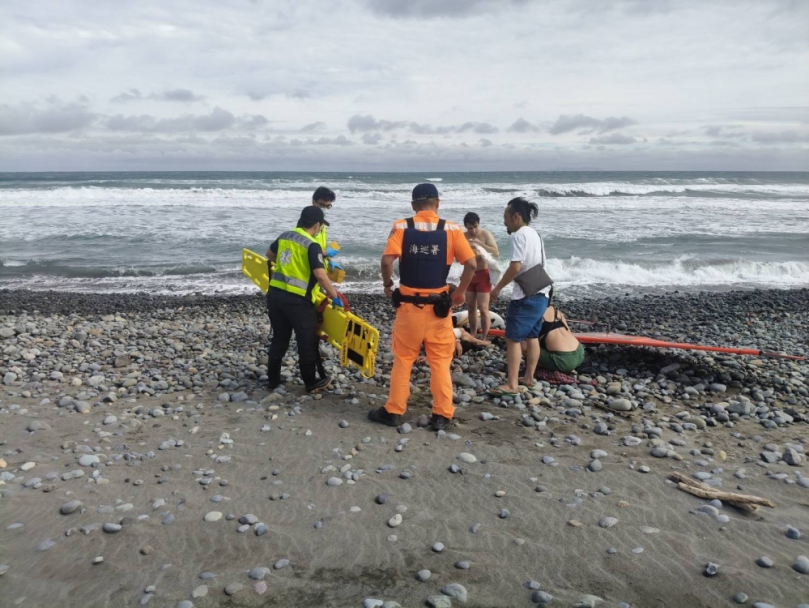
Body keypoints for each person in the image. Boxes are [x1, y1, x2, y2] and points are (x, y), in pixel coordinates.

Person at [369, 183, 477, 431]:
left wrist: (388, 285)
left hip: (408, 309)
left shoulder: (401, 226)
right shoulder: (452, 229)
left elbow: (387, 260)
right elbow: (470, 264)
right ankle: (442, 415)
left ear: (413, 206)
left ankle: (394, 411)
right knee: (440, 361)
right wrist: (460, 292)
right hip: (439, 308)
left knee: (404, 359)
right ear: (437, 203)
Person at [265, 206, 344, 393]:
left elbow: (269, 254)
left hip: (275, 295)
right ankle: (310, 382)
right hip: (297, 300)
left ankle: (273, 380)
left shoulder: (286, 236)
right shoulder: (311, 244)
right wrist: (335, 296)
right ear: (317, 225)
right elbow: (321, 275)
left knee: (280, 338)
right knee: (306, 340)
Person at [490, 197, 553, 396]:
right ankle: (528, 377)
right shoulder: (536, 235)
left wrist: (498, 288)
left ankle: (511, 384)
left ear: (516, 216)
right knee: (532, 335)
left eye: (506, 217)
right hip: (543, 291)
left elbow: (515, 266)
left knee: (512, 338)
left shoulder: (518, 235)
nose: (504, 222)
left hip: (525, 296)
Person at [463, 212, 499, 341]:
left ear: (479, 224)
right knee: (471, 307)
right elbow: (456, 256)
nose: (473, 230)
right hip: (469, 275)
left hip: (483, 275)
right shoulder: (463, 237)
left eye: (475, 227)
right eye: (470, 228)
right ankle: (473, 334)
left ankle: (484, 337)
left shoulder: (485, 234)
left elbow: (496, 252)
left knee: (483, 308)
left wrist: (480, 244)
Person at [536, 306, 584, 373]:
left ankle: (528, 373)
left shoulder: (533, 311)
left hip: (564, 359)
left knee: (523, 345)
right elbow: (569, 331)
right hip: (580, 352)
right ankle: (569, 367)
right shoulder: (555, 309)